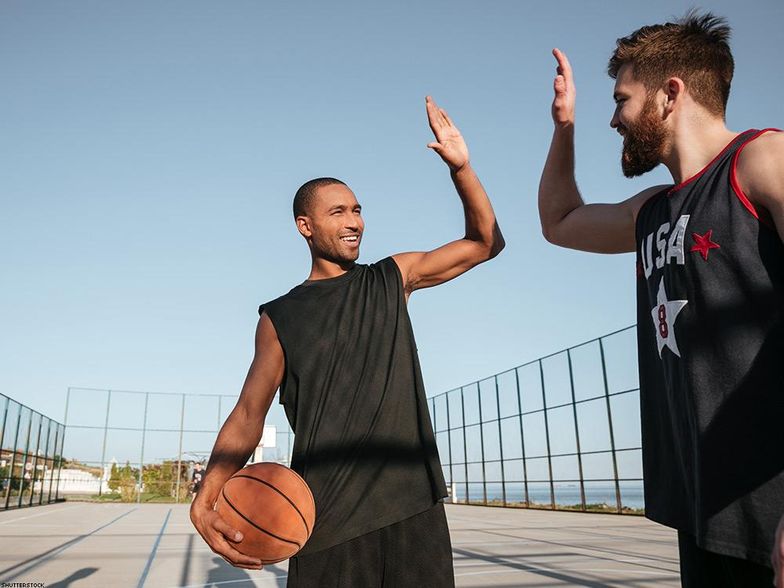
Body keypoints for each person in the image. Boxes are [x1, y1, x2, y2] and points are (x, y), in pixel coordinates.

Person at [191, 95, 504, 587]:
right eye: (338, 212)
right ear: (306, 226)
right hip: (324, 518)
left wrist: (461, 169)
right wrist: (206, 496)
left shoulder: (391, 278)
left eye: (357, 210)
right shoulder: (280, 317)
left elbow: (485, 243)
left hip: (412, 504)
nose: (354, 222)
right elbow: (250, 412)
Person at [538, 11, 784, 587]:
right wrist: (562, 125)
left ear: (669, 93)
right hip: (705, 511)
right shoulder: (653, 210)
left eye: (622, 98)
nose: (614, 118)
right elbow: (560, 221)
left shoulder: (761, 161)